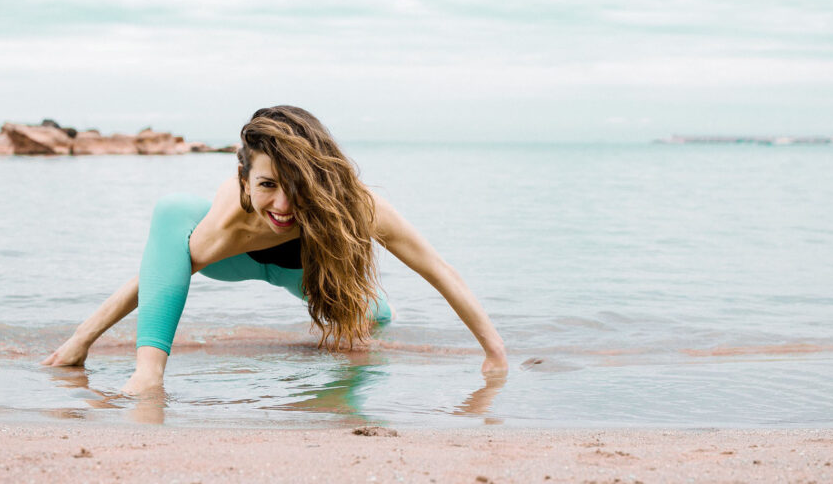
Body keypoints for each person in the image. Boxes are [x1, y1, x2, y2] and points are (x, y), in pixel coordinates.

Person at [43, 106, 508, 393]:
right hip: (233, 260)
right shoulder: (226, 218)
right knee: (172, 210)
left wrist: (495, 353)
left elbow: (440, 270)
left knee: (374, 318)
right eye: (267, 185)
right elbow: (160, 278)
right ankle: (148, 376)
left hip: (304, 272)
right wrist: (82, 339)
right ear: (244, 178)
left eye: (297, 186)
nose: (283, 206)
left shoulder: (360, 208)